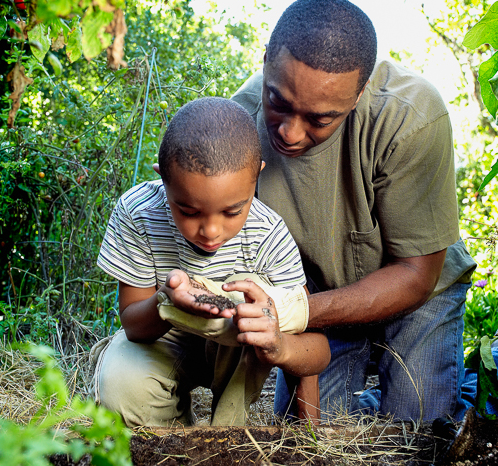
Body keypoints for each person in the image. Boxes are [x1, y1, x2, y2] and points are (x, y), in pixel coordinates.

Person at [227, 0, 477, 423]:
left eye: (320, 120)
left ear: (359, 93)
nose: (288, 132)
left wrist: (297, 312)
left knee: (412, 438)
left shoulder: (412, 116)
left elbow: (418, 275)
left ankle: (445, 395)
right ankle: (370, 405)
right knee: (304, 439)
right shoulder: (236, 124)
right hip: (319, 299)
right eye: (278, 102)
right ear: (266, 59)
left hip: (420, 298)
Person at [90, 97, 330, 427]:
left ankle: (225, 435)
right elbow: (133, 325)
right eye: (188, 211)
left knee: (253, 299)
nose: (211, 231)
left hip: (238, 354)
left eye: (233, 211)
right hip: (164, 342)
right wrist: (168, 302)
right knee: (120, 391)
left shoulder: (269, 233)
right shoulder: (138, 213)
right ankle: (176, 438)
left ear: (255, 177)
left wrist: (280, 346)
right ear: (163, 179)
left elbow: (316, 348)